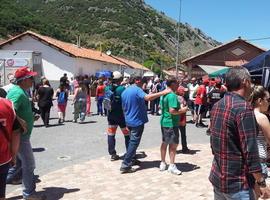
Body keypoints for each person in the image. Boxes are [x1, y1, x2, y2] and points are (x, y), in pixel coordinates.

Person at [209, 67, 270, 200]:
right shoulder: (243, 109)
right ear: (245, 82)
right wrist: (261, 182)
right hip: (238, 183)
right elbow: (250, 151)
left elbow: (213, 143)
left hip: (219, 178)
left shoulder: (217, 105)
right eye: (250, 81)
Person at [7, 67, 46, 200]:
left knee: (17, 164)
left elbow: (17, 110)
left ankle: (11, 179)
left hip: (21, 135)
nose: (32, 80)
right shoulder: (17, 93)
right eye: (30, 78)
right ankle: (29, 194)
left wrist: (29, 117)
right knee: (29, 164)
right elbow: (8, 110)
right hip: (20, 137)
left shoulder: (21, 91)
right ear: (23, 80)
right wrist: (20, 121)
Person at [120, 77, 171, 173]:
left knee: (131, 141)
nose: (145, 86)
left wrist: (125, 120)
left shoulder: (125, 91)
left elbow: (123, 107)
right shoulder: (137, 90)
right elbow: (147, 97)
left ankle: (131, 159)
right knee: (134, 142)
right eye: (144, 83)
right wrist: (163, 92)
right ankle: (126, 164)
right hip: (136, 121)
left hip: (129, 120)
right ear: (138, 81)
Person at [159, 79, 188, 175]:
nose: (178, 86)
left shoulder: (163, 94)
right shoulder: (172, 95)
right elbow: (172, 111)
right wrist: (182, 110)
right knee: (173, 145)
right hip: (171, 123)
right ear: (172, 84)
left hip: (164, 121)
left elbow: (162, 108)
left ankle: (163, 162)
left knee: (164, 142)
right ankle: (171, 165)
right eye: (177, 84)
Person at [105, 71, 130, 161]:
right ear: (120, 79)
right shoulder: (122, 89)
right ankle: (129, 152)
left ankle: (112, 154)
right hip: (121, 116)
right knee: (127, 134)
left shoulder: (107, 88)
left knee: (111, 134)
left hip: (111, 115)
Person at [249, 86, 270, 183]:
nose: (269, 103)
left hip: (249, 160)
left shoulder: (246, 113)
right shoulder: (261, 117)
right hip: (259, 161)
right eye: (268, 99)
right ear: (260, 101)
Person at [176, 86, 189, 153]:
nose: (184, 92)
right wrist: (185, 108)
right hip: (180, 117)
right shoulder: (180, 98)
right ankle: (184, 148)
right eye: (183, 91)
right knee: (182, 134)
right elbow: (181, 108)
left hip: (178, 117)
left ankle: (181, 147)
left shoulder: (177, 97)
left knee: (177, 134)